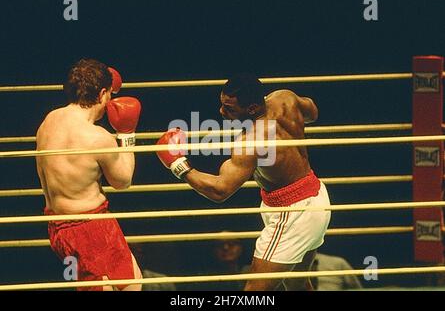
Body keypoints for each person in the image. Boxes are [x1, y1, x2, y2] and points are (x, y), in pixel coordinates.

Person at [156, 74, 331, 291]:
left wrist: (178, 164)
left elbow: (220, 190)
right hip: (316, 197)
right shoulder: (285, 98)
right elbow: (312, 112)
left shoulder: (251, 141)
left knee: (254, 291)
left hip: (293, 213)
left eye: (229, 108)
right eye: (222, 104)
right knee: (296, 284)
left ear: (252, 108)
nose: (221, 112)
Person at [35, 58, 142, 291]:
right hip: (91, 227)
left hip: (58, 226)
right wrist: (127, 134)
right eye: (110, 95)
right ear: (103, 93)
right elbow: (123, 181)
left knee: (129, 282)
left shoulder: (49, 120)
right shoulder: (96, 137)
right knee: (130, 287)